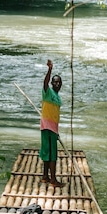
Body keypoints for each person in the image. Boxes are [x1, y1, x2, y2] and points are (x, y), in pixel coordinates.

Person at [40, 59, 64, 187]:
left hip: (52, 129)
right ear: (52, 83)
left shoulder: (57, 97)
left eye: (59, 82)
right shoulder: (48, 92)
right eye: (55, 82)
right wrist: (50, 69)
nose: (57, 84)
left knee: (48, 152)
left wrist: (57, 131)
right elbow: (45, 83)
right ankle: (53, 180)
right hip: (47, 128)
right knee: (51, 154)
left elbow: (55, 114)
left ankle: (45, 177)